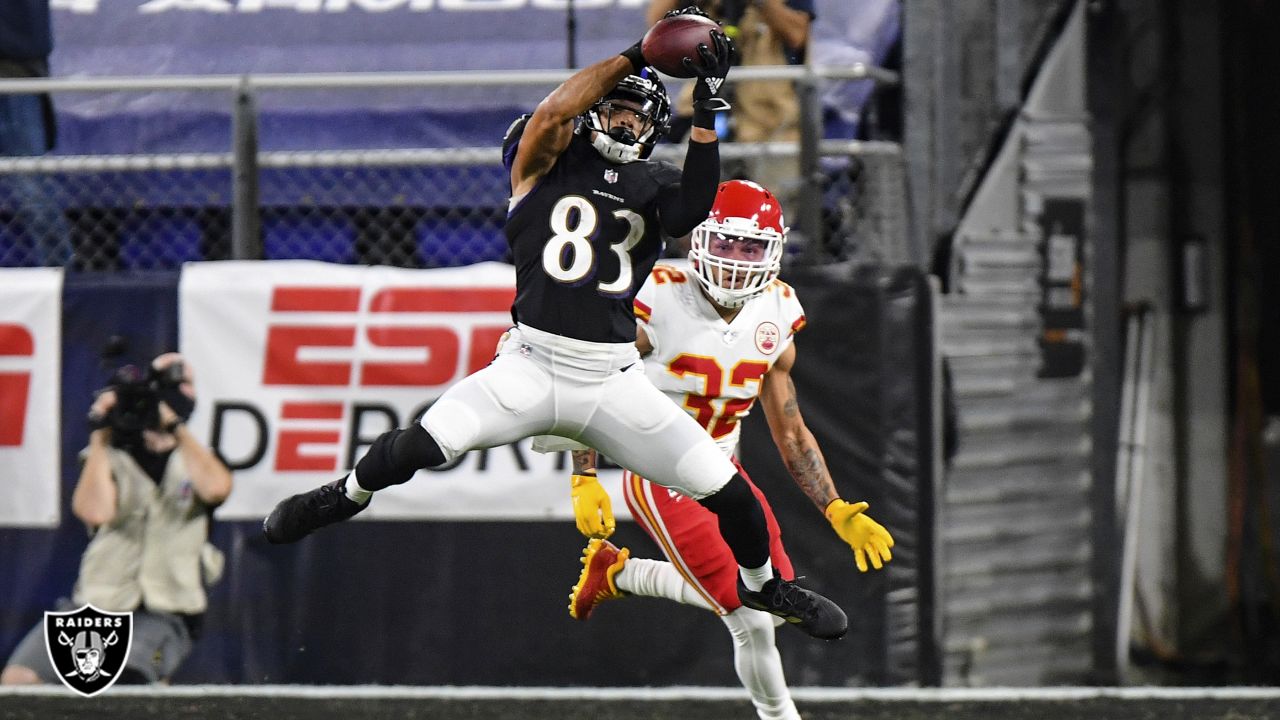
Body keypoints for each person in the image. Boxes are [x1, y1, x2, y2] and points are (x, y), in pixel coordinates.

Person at [262, 8, 847, 640]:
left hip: (614, 377)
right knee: (420, 446)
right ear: (596, 109)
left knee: (730, 494)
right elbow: (549, 115)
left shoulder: (654, 183)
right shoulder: (541, 163)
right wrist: (637, 54)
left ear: (653, 126)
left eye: (638, 112)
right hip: (531, 365)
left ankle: (766, 587)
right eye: (617, 106)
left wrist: (707, 110)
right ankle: (346, 494)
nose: (626, 118)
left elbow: (693, 211)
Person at [563, 180, 893, 720]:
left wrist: (834, 507)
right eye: (726, 245)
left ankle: (621, 575)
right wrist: (584, 474)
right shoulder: (658, 294)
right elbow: (588, 380)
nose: (737, 262)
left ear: (776, 251)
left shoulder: (779, 308)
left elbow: (790, 430)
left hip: (725, 473)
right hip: (660, 470)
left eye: (751, 248)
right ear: (699, 240)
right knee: (753, 613)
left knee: (777, 601)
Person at [1, 353, 233, 686]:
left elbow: (216, 490)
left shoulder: (199, 457)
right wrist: (100, 437)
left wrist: (174, 427)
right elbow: (96, 513)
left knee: (134, 677)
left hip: (167, 611)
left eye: (183, 386)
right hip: (98, 602)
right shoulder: (110, 452)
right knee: (19, 679)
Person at [648, 0, 814, 206]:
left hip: (769, 125)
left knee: (770, 207)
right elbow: (656, 23)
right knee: (689, 203)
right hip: (703, 117)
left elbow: (797, 34)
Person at [0, 0, 71, 266]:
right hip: (18, 83)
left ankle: (59, 278)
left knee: (32, 192)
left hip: (15, 85)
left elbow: (34, 41)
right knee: (33, 191)